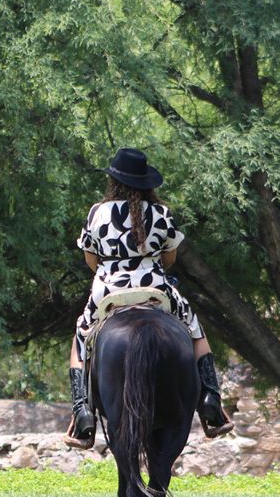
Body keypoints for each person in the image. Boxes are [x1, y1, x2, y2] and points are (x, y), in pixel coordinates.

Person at [64, 147, 234, 449]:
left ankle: (82, 413)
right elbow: (169, 258)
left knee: (81, 333)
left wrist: (111, 268)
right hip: (154, 286)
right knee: (194, 328)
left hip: (108, 289)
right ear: (146, 183)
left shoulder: (97, 212)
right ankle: (211, 403)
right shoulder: (162, 213)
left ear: (114, 181)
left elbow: (91, 259)